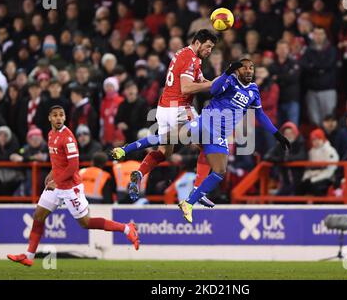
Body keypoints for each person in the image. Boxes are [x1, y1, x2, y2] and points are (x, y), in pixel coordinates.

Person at [113, 59, 291, 223]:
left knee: (219, 171)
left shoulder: (253, 90)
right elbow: (213, 91)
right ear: (237, 70)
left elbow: (260, 114)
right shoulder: (230, 81)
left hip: (220, 135)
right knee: (168, 138)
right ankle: (125, 150)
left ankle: (189, 202)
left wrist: (277, 134)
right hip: (206, 123)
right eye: (244, 67)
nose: (249, 70)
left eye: (251, 67)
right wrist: (227, 72)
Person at [7, 105, 139, 267]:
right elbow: (58, 161)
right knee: (38, 216)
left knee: (86, 223)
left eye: (61, 115)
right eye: (55, 115)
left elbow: (73, 166)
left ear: (64, 118)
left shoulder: (68, 137)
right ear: (49, 118)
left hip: (71, 188)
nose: (58, 118)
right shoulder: (50, 135)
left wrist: (57, 180)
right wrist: (52, 173)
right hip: (57, 186)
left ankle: (126, 228)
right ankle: (29, 255)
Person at [113, 30, 218, 208]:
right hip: (180, 108)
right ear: (198, 43)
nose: (209, 51)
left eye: (212, 48)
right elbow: (186, 88)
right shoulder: (191, 58)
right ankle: (199, 190)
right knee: (209, 144)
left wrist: (217, 84)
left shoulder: (185, 55)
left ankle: (139, 172)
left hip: (163, 109)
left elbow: (200, 80)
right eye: (208, 47)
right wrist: (214, 83)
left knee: (164, 152)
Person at [297, 128, 339, 196]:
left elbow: (330, 170)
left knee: (315, 188)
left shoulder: (330, 151)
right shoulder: (311, 152)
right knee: (300, 187)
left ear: (322, 139)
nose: (316, 142)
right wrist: (306, 177)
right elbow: (308, 168)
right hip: (313, 177)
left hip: (327, 178)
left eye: (318, 139)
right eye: (313, 140)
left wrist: (314, 179)